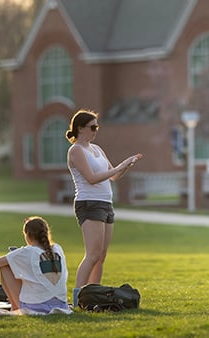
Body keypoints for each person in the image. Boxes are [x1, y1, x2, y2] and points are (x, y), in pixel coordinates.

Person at [65, 110, 143, 303]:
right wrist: (117, 167)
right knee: (92, 254)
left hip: (105, 204)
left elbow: (114, 176)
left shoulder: (97, 149)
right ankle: (77, 298)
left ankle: (93, 296)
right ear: (81, 128)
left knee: (101, 256)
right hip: (89, 204)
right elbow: (91, 178)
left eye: (97, 127)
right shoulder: (76, 150)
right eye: (92, 127)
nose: (95, 131)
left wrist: (126, 165)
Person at [0, 216, 71, 314]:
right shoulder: (58, 248)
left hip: (35, 306)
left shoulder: (27, 251)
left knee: (4, 266)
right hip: (61, 304)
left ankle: (15, 307)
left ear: (27, 235)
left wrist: (11, 256)